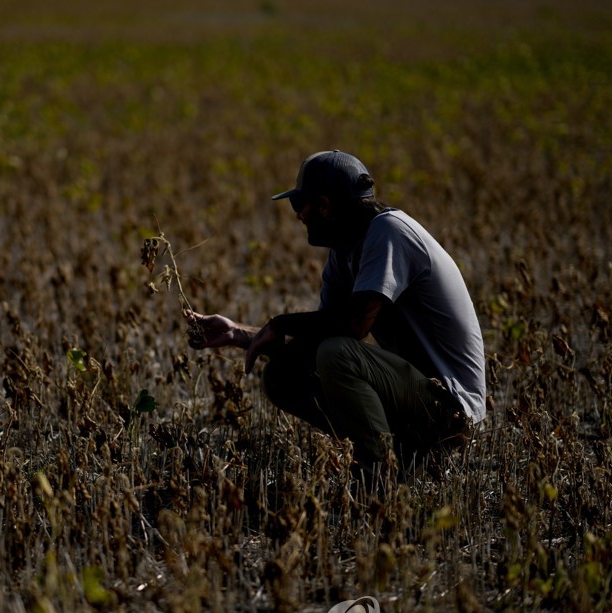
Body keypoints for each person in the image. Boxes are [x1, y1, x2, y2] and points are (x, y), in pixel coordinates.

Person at [186, 150, 487, 487]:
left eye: (299, 204)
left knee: (336, 354)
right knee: (281, 375)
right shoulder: (343, 255)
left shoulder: (390, 232)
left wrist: (280, 323)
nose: (298, 215)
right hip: (415, 396)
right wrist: (239, 334)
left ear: (325, 205)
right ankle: (399, 452)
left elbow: (354, 326)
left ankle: (380, 476)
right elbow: (317, 336)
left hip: (451, 407)